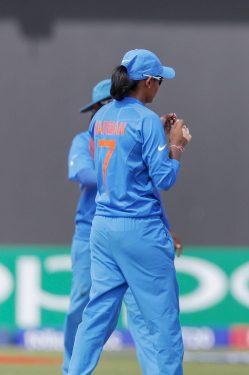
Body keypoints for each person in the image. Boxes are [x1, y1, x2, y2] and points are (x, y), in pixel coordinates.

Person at [68, 49, 191, 375]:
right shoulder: (146, 121)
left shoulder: (100, 118)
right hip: (140, 229)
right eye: (159, 82)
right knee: (163, 320)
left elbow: (122, 160)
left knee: (95, 318)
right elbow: (164, 178)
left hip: (103, 227)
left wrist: (156, 139)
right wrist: (175, 145)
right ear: (148, 82)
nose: (159, 88)